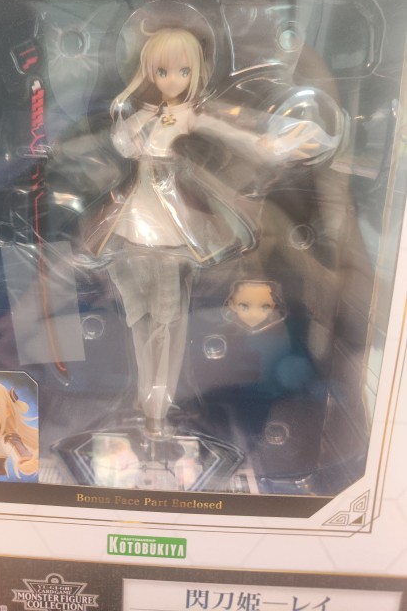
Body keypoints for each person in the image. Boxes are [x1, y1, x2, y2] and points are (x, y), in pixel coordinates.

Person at [79, 25, 342, 437]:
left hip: (172, 224)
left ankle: (160, 397)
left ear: (195, 73)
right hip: (136, 219)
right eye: (162, 71)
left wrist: (278, 144)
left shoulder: (190, 115)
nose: (172, 80)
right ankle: (147, 393)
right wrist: (132, 114)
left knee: (168, 316)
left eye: (182, 71)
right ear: (149, 72)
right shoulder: (144, 115)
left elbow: (238, 134)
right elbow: (122, 143)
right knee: (138, 314)